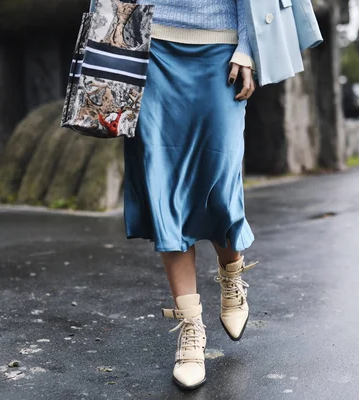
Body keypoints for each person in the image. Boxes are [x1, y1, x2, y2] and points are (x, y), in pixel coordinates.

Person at [124, 0, 256, 391]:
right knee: (163, 187)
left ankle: (231, 275)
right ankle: (190, 329)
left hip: (221, 48)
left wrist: (248, 46)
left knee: (219, 183)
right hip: (151, 46)